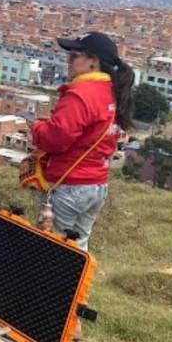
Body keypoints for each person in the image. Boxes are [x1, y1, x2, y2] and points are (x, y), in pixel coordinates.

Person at [31, 32, 135, 251]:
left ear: (93, 62)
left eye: (74, 56)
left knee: (52, 248)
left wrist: (38, 128)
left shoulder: (81, 94)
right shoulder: (112, 91)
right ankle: (78, 286)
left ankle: (52, 286)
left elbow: (55, 139)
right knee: (78, 248)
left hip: (70, 185)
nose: (68, 61)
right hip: (96, 184)